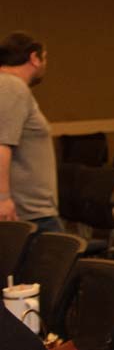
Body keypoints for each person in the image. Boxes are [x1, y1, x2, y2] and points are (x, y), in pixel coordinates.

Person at [0, 32, 61, 232]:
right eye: (45, 58)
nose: (45, 64)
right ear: (34, 58)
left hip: (26, 212)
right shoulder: (12, 86)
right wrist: (3, 199)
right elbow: (2, 144)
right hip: (29, 214)